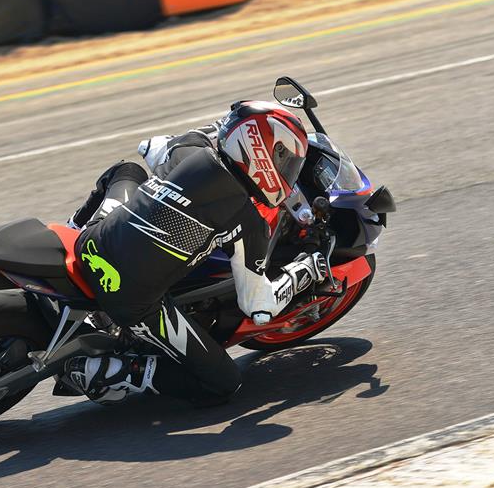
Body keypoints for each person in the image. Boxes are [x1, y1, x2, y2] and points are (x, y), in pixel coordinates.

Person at [61, 101, 328, 406]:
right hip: (130, 301)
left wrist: (212, 133)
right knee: (224, 383)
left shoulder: (190, 148)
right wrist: (307, 269)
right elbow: (258, 306)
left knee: (127, 171)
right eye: (286, 162)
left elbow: (150, 146)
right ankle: (103, 371)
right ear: (264, 154)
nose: (287, 173)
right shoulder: (247, 222)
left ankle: (69, 229)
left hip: (91, 243)